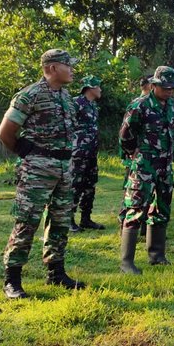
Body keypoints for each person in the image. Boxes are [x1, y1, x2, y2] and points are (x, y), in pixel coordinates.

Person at [0, 49, 84, 299]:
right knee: (27, 221)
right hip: (37, 169)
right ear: (52, 68)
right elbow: (5, 132)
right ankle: (12, 280)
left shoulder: (66, 96)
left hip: (64, 169)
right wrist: (28, 153)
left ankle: (56, 273)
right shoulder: (30, 95)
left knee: (60, 221)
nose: (72, 70)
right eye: (67, 66)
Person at [118, 66, 174, 272]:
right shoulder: (140, 106)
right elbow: (125, 134)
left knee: (162, 208)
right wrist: (133, 152)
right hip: (144, 165)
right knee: (136, 209)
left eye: (173, 88)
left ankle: (157, 255)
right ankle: (127, 262)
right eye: (166, 87)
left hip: (165, 165)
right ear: (154, 85)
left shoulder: (173, 107)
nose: (170, 91)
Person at [70, 75, 104, 232]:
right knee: (75, 185)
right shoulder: (76, 103)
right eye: (99, 87)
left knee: (90, 185)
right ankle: (68, 220)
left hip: (91, 152)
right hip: (78, 153)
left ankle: (85, 219)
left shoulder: (93, 106)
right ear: (91, 88)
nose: (100, 90)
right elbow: (67, 125)